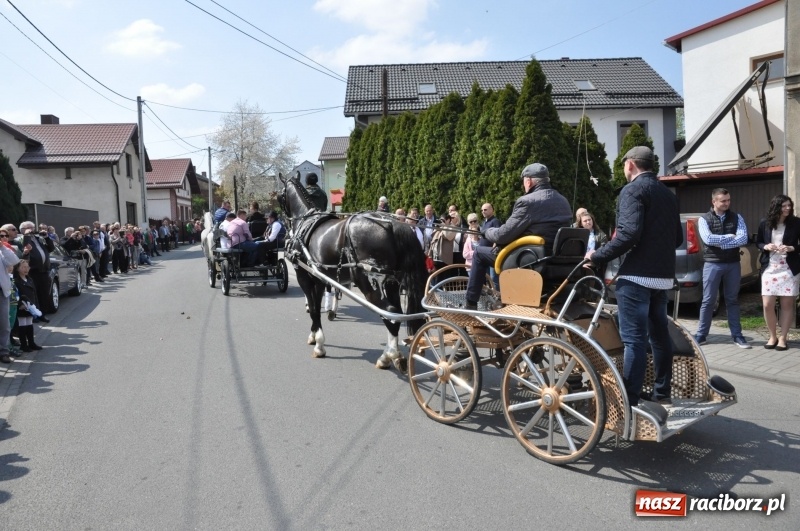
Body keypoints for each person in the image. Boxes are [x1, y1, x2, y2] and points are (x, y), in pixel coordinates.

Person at [586, 146, 682, 407]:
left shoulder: (632, 190)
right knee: (659, 336)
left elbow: (628, 235)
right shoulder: (668, 194)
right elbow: (678, 239)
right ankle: (662, 393)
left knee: (634, 341)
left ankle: (628, 399)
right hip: (662, 278)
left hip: (637, 278)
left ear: (630, 165)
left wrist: (595, 257)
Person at [465, 163, 571, 309]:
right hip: (558, 262)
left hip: (529, 260)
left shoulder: (527, 202)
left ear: (528, 181)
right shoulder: (563, 201)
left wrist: (486, 231)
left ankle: (470, 304)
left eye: (523, 182)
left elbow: (503, 235)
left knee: (479, 253)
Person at [694, 188, 751, 349]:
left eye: (728, 200)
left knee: (732, 300)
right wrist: (728, 237)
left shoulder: (737, 217)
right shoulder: (704, 219)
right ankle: (701, 335)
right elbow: (708, 239)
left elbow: (742, 239)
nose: (727, 203)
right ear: (714, 202)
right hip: (712, 263)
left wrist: (721, 242)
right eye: (723, 201)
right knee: (708, 300)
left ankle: (737, 336)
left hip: (733, 263)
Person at [756, 194, 800, 351]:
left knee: (787, 305)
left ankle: (783, 338)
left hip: (789, 268)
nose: (788, 208)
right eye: (784, 206)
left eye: (789, 205)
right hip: (770, 268)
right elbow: (758, 242)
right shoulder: (765, 223)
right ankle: (772, 336)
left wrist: (791, 248)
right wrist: (765, 246)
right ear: (776, 207)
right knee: (767, 304)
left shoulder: (796, 223)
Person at [16, 221, 55, 317]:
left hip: (44, 271)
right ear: (23, 230)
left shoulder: (38, 239)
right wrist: (27, 235)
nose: (32, 229)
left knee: (44, 293)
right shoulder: (21, 239)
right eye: (28, 227)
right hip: (32, 271)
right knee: (34, 295)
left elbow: (51, 248)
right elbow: (25, 247)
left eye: (32, 227)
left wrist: (46, 237)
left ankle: (43, 314)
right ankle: (35, 315)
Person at [13, 260, 43, 352]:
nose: (26, 269)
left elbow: (34, 294)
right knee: (22, 326)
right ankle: (23, 345)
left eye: (27, 267)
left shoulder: (30, 279)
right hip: (22, 307)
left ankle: (31, 343)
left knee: (30, 324)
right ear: (18, 269)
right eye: (23, 267)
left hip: (30, 306)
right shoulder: (16, 281)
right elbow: (16, 295)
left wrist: (35, 305)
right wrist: (20, 304)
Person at [0, 235, 20, 364]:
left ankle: (3, 352)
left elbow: (14, 260)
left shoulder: (2, 252)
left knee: (4, 324)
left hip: (2, 292)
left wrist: (2, 246)